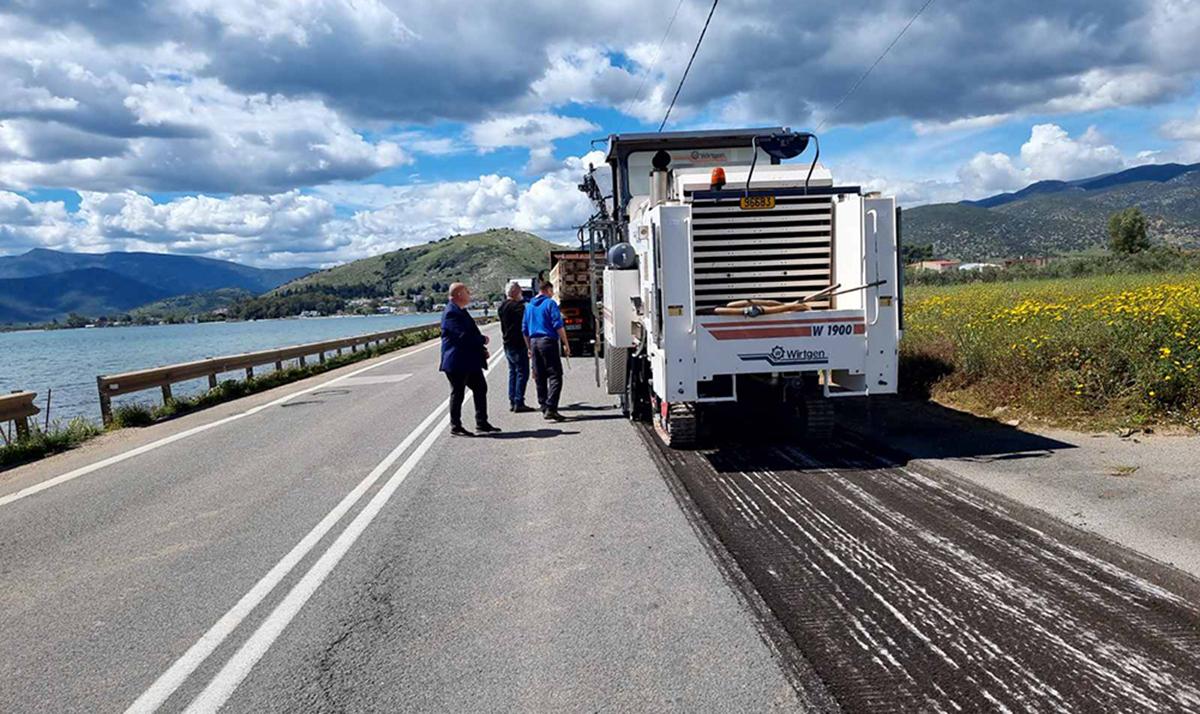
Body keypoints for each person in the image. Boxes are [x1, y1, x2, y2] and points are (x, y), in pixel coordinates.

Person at [440, 283, 500, 437]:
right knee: (458, 393)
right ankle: (456, 425)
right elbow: (463, 336)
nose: (470, 293)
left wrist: (482, 350)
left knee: (480, 388)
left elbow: (470, 332)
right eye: (467, 291)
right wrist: (482, 340)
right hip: (457, 361)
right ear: (459, 294)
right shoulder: (451, 313)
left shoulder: (461, 311)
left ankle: (482, 422)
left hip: (470, 360)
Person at [522, 280, 570, 421]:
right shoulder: (550, 303)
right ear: (548, 290)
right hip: (548, 342)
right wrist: (566, 343)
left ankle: (543, 406)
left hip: (534, 342)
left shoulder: (529, 306)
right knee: (555, 376)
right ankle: (551, 407)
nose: (552, 293)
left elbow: (524, 329)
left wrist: (529, 348)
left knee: (540, 376)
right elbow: (558, 324)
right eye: (552, 291)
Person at [498, 282, 534, 412]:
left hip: (507, 344)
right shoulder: (517, 307)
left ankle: (512, 400)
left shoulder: (501, 306)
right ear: (514, 292)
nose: (522, 294)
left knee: (513, 372)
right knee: (522, 373)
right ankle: (519, 402)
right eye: (520, 291)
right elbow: (526, 324)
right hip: (518, 344)